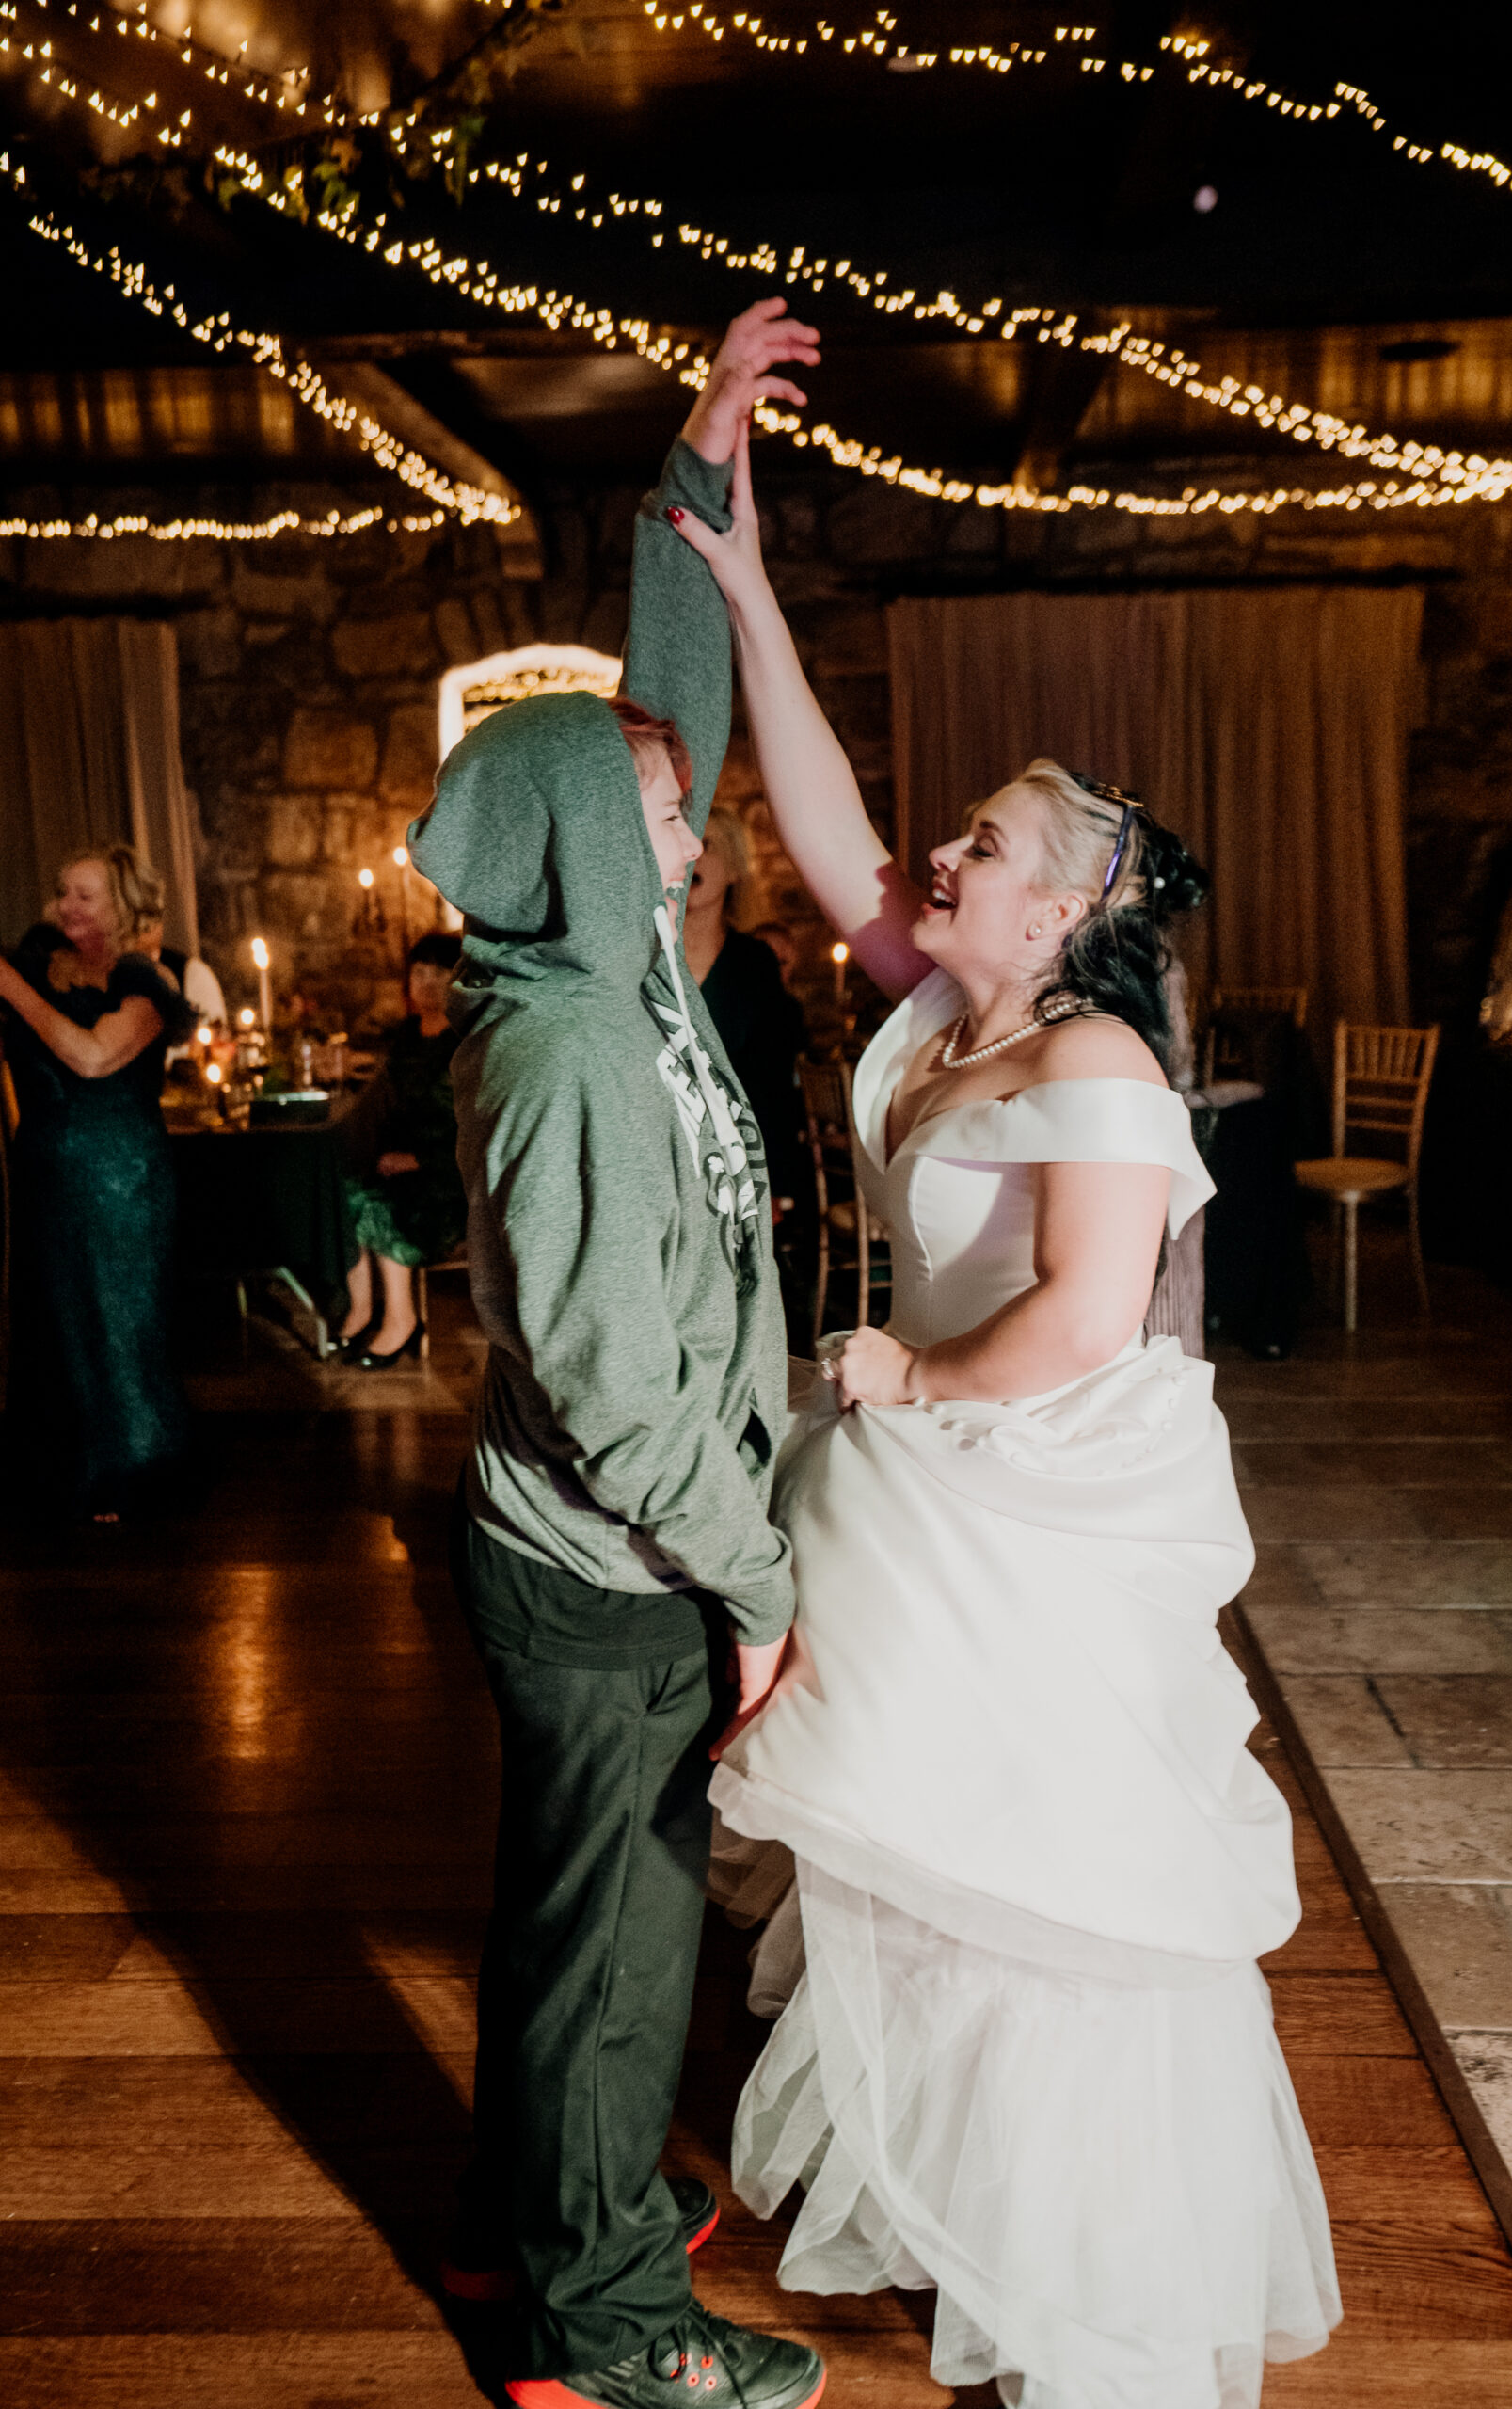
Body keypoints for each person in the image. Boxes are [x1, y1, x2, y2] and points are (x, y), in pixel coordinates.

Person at [671, 423, 1341, 2409]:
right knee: (920, 1874)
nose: (934, 860)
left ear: (1053, 914)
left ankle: (1082, 2279)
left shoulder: (1102, 1052)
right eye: (948, 843)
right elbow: (825, 830)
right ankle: (964, 2192)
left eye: (976, 847)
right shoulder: (942, 1015)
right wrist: (746, 591)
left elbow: (1084, 1315)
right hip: (930, 1498)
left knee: (1046, 1890)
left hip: (1026, 1494)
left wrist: (904, 1373)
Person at [406, 302, 827, 2409]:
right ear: (584, 843)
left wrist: (703, 444)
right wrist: (754, 1589)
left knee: (579, 1927)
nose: (695, 844)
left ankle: (529, 2226)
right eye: (662, 827)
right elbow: (621, 1393)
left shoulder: (602, 951)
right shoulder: (573, 1047)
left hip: (602, 1559)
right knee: (614, 1959)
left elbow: (663, 713)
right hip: (617, 1571)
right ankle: (607, 2340)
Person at [0, 846, 195, 1522]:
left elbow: (90, 1057)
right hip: (46, 1174)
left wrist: (9, 988)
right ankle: (65, 1477)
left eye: (84, 895)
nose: (65, 906)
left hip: (121, 1180)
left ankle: (135, 1474)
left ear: (123, 905)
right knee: (58, 1329)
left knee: (120, 1329)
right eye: (62, 892)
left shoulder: (146, 979)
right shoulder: (39, 966)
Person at [336, 932, 467, 1368]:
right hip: (403, 1167)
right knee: (346, 1189)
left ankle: (401, 1319)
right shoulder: (408, 1036)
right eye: (419, 972)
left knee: (381, 1204)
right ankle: (362, 1312)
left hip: (449, 1177)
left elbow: (473, 1129)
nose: (427, 983)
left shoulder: (465, 1042)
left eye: (439, 973)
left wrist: (418, 1160)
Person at [682, 806, 808, 1213]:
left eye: (707, 845)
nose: (692, 855)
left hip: (731, 1163)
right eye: (684, 840)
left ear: (735, 868)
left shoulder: (754, 963)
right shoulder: (647, 955)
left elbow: (771, 1082)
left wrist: (775, 1181)